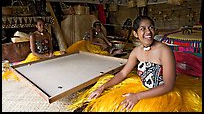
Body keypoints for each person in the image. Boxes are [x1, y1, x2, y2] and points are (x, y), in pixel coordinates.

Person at [67, 16, 202, 112]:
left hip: (162, 94)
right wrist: (102, 88)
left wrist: (137, 96)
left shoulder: (164, 51)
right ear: (135, 34)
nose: (148, 32)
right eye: (142, 29)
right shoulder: (136, 52)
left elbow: (168, 86)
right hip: (141, 87)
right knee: (110, 100)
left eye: (151, 28)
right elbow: (123, 73)